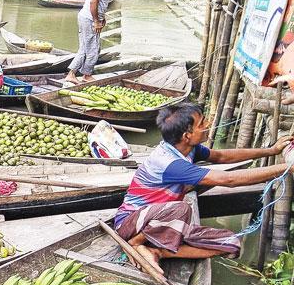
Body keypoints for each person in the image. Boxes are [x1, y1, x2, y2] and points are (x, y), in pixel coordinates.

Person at [114, 102, 294, 273]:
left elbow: (221, 157)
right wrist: (286, 167)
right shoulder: (170, 163)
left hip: (163, 222)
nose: (208, 124)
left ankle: (159, 251)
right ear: (187, 135)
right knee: (181, 209)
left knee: (231, 244)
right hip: (131, 223)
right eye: (202, 123)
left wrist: (271, 150)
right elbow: (229, 179)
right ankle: (136, 243)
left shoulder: (187, 149)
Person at [65, 0, 126, 85]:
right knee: (90, 49)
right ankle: (72, 74)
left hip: (90, 18)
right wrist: (96, 21)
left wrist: (102, 18)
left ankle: (85, 75)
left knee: (92, 48)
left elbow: (102, 3)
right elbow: (94, 1)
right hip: (89, 19)